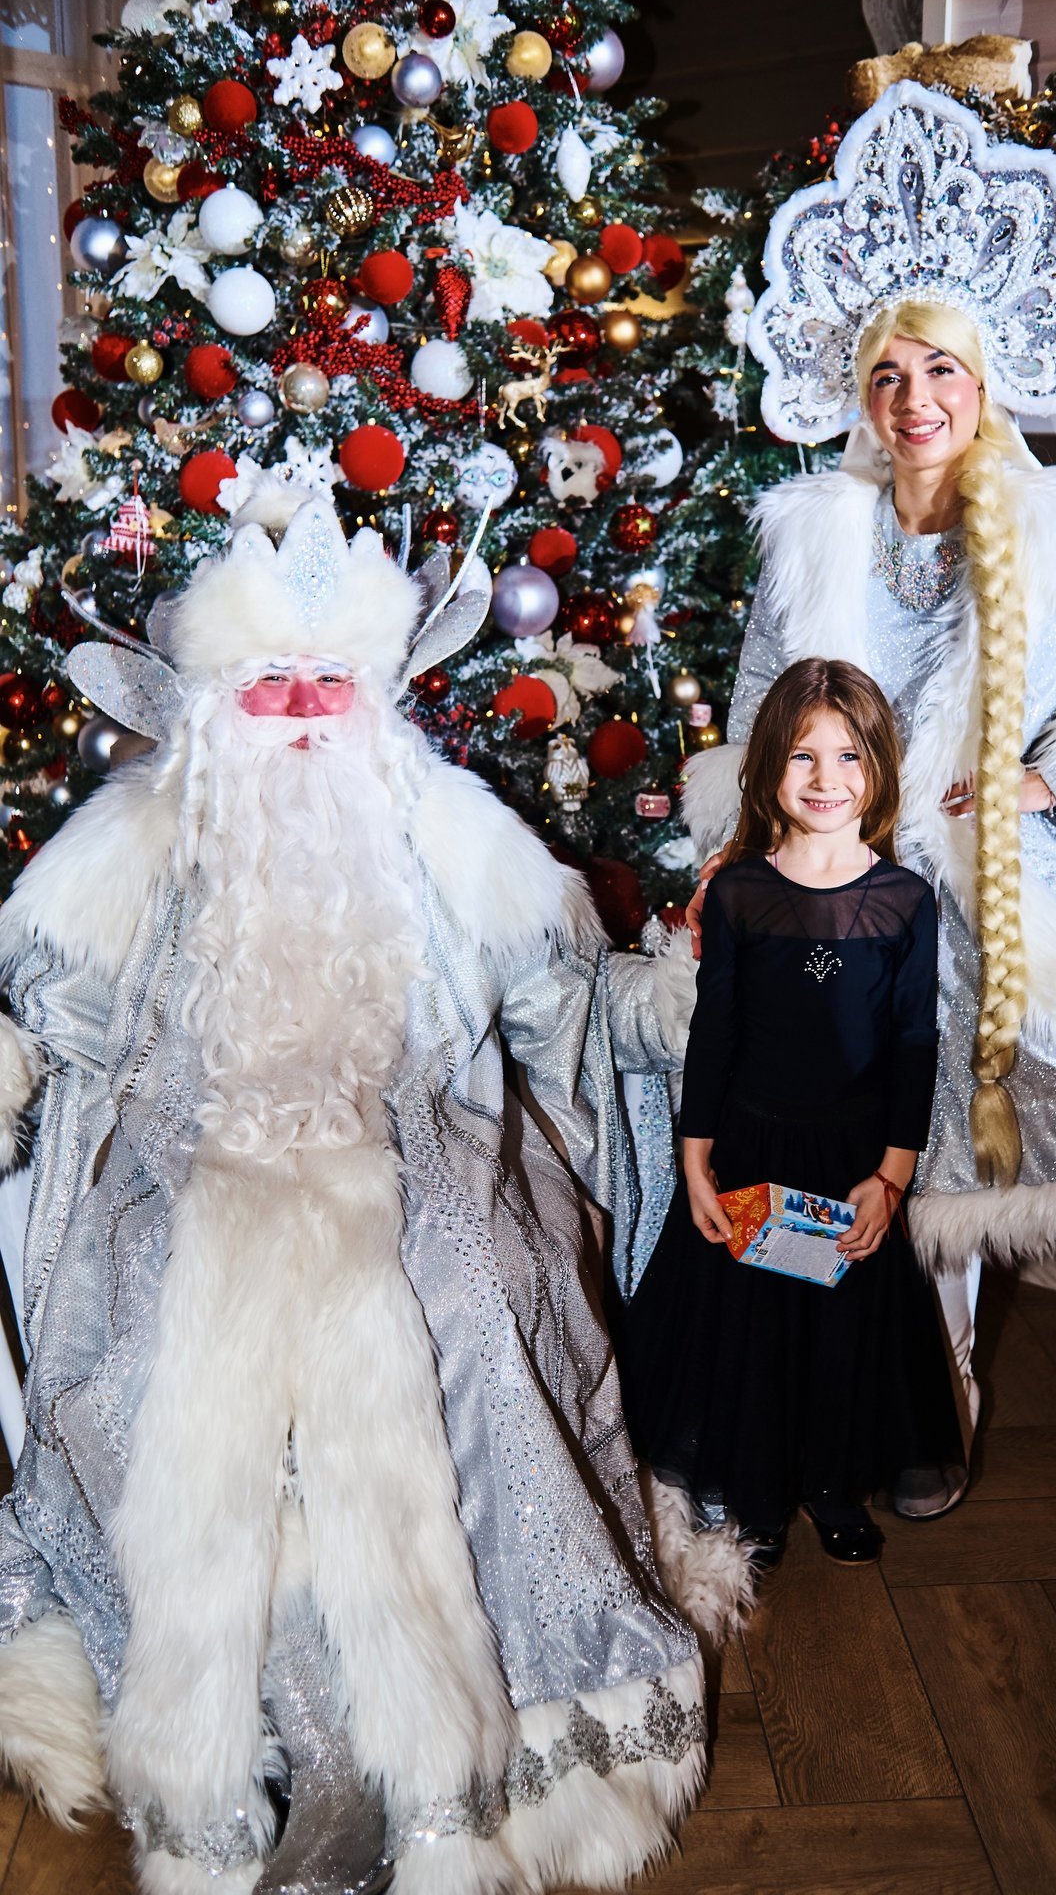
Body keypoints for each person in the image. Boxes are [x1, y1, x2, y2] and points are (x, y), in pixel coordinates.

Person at [0, 494, 748, 1895]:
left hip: (416, 1138)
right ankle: (290, 1739)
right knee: (159, 1346)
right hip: (190, 1150)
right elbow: (41, 1004)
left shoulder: (450, 837)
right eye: (268, 685)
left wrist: (668, 1006)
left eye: (325, 685)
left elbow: (564, 1009)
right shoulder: (133, 844)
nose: (298, 715)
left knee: (464, 1307)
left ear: (375, 700)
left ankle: (431, 1751)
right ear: (210, 706)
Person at [682, 82, 1056, 1432]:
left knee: (938, 1140)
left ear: (982, 382)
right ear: (860, 392)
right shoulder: (812, 532)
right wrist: (738, 849)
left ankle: (933, 1388)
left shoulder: (1053, 532)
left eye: (941, 370)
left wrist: (1049, 777)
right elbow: (758, 703)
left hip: (981, 883)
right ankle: (815, 1379)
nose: (915, 401)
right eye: (889, 375)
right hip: (823, 867)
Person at [620, 659, 964, 1569]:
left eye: (848, 756)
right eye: (803, 756)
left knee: (841, 1330)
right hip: (750, 1148)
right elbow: (716, 1033)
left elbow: (915, 1045)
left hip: (854, 1159)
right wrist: (697, 1161)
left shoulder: (906, 902)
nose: (825, 778)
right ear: (769, 765)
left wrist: (892, 1178)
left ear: (879, 769)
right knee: (756, 1330)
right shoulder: (739, 892)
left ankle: (830, 1486)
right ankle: (762, 1498)